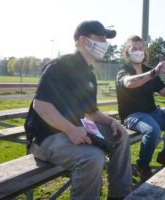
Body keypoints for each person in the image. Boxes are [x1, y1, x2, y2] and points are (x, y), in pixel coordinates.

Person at [24, 20, 132, 200]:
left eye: (106, 39)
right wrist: (71, 130)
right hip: (45, 138)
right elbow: (41, 105)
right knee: (93, 157)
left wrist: (112, 122)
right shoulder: (60, 66)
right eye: (100, 38)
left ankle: (121, 196)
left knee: (121, 136)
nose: (105, 43)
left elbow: (91, 113)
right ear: (83, 40)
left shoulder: (89, 73)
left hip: (73, 131)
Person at [116, 35, 165, 181]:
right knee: (153, 131)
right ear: (127, 51)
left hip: (153, 112)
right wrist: (153, 73)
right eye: (134, 48)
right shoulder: (123, 70)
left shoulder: (150, 70)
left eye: (141, 48)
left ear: (145, 52)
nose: (138, 51)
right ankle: (142, 166)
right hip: (133, 115)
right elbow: (128, 83)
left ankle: (164, 155)